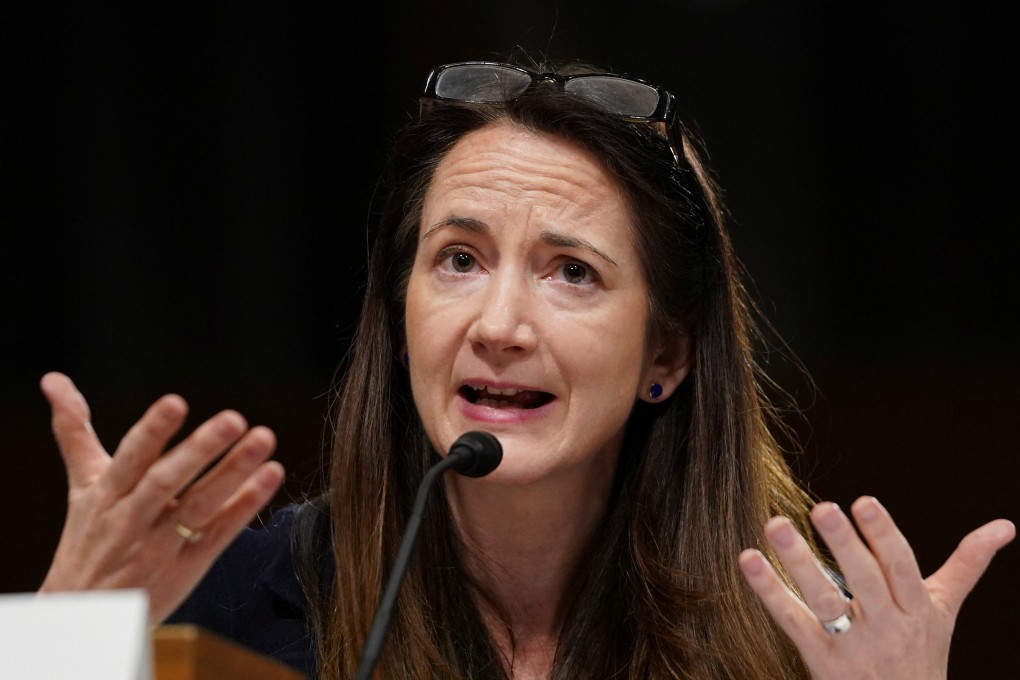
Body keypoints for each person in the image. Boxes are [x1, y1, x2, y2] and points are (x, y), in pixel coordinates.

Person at [37, 59, 1014, 680]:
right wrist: (60, 640)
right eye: (458, 259)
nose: (498, 323)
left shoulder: (802, 638)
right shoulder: (239, 599)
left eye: (572, 272)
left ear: (666, 353)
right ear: (400, 305)